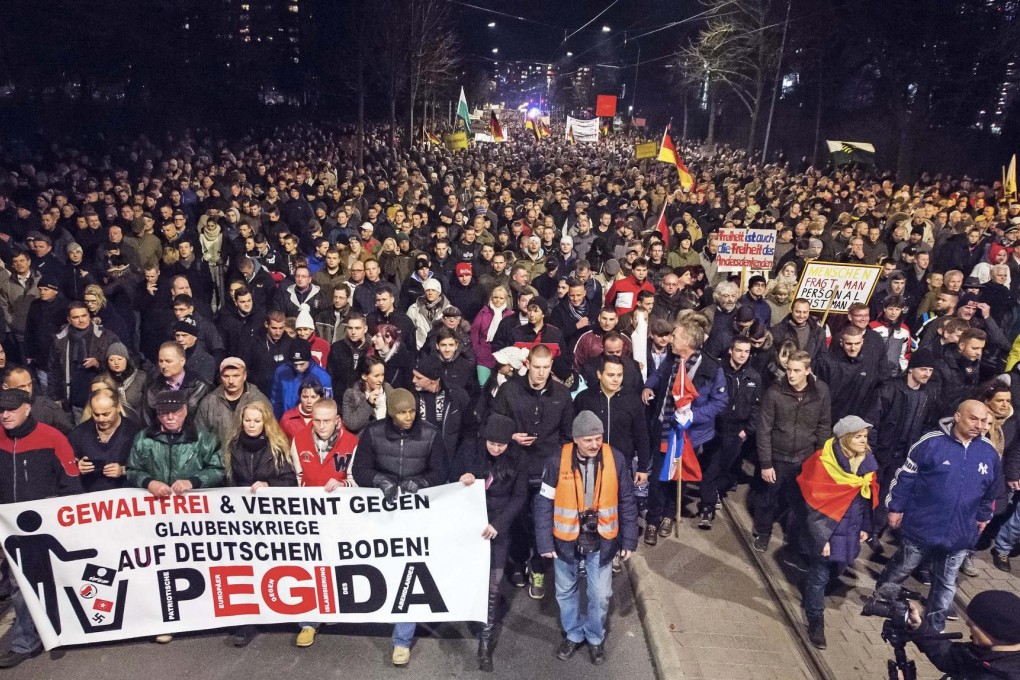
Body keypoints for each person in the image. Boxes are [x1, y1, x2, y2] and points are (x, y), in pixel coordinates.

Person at [875, 400, 1004, 633]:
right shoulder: (930, 443)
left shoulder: (988, 452)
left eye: (984, 421)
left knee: (946, 583)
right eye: (973, 419)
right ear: (957, 416)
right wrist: (895, 508)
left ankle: (934, 627)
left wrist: (984, 516)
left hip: (960, 533)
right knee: (903, 566)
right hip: (922, 526)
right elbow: (905, 478)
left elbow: (991, 491)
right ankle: (883, 597)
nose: (980, 425)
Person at [352, 388, 447, 667]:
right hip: (382, 515)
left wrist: (421, 483)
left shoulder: (430, 434)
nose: (409, 417)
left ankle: (401, 639)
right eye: (403, 412)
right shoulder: (372, 432)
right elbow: (360, 470)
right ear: (391, 414)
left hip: (417, 516)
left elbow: (441, 471)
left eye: (412, 411)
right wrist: (380, 480)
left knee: (410, 571)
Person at [535, 410, 638, 666]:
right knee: (565, 591)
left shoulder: (616, 459)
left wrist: (629, 540)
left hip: (602, 539)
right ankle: (573, 633)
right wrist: (545, 542)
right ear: (576, 439)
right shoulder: (556, 460)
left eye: (599, 438)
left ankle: (594, 637)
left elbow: (626, 499)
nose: (595, 444)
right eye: (589, 440)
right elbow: (543, 503)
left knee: (600, 594)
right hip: (565, 539)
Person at [126, 390, 224, 643]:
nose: (169, 418)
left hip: (193, 520)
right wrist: (148, 482)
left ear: (185, 412)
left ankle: (202, 616)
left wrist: (193, 481)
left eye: (175, 412)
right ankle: (166, 619)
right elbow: (132, 470)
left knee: (196, 566)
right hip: (155, 519)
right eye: (164, 413)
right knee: (161, 570)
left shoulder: (203, 439)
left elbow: (218, 469)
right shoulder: (144, 439)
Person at [0, 388, 81, 669]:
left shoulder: (52, 438)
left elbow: (71, 481)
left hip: (48, 528)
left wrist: (59, 513)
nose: (5, 415)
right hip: (10, 531)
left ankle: (68, 630)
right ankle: (26, 641)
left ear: (27, 408)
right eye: (1, 410)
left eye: (11, 409)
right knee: (18, 586)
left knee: (55, 582)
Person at [491, 344, 573, 598]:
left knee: (541, 521)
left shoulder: (561, 394)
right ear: (527, 365)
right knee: (515, 519)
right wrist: (511, 436)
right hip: (515, 467)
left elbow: (568, 435)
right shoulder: (509, 390)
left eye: (546, 368)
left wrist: (558, 462)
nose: (541, 373)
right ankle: (517, 563)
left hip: (546, 470)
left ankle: (538, 568)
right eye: (537, 367)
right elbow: (493, 423)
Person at [642, 316, 728, 545]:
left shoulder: (711, 368)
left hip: (687, 434)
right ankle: (652, 518)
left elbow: (719, 403)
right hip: (663, 427)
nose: (671, 339)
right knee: (658, 477)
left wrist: (693, 416)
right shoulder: (671, 359)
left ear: (688, 341)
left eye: (675, 336)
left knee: (676, 477)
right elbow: (659, 376)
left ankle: (668, 515)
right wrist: (649, 386)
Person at [452, 414, 527, 672]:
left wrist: (499, 524)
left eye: (501, 445)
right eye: (492, 443)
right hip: (470, 525)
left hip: (497, 529)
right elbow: (451, 478)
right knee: (468, 577)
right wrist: (463, 479)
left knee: (494, 586)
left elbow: (519, 497)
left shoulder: (518, 458)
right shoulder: (469, 450)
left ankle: (485, 642)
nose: (496, 448)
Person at [796, 416, 879, 650]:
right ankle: (815, 619)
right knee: (819, 576)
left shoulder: (867, 462)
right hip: (828, 533)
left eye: (865, 436)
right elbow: (814, 506)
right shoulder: (823, 463)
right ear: (845, 439)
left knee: (838, 569)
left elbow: (867, 499)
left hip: (850, 530)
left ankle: (814, 593)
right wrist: (823, 538)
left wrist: (866, 527)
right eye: (859, 437)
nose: (864, 441)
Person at [222, 400, 299, 647]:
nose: (252, 425)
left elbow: (291, 483)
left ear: (265, 422)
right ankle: (247, 620)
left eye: (257, 421)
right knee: (245, 570)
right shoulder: (232, 447)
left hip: (271, 521)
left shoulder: (278, 447)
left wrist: (269, 486)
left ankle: (278, 612)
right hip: (242, 521)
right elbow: (228, 483)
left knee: (271, 567)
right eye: (248, 420)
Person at [289, 397, 358, 648]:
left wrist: (343, 485)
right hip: (309, 516)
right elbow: (295, 478)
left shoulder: (352, 442)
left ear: (337, 419)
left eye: (327, 421)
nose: (321, 426)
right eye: (317, 420)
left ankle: (333, 610)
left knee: (335, 564)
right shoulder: (299, 440)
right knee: (309, 566)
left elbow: (356, 480)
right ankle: (308, 622)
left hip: (340, 516)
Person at [753, 350, 832, 553]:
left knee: (799, 502)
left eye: (797, 370)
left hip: (805, 457)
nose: (791, 375)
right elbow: (764, 430)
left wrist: (820, 459)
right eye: (789, 370)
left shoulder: (821, 392)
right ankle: (763, 532)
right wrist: (766, 464)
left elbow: (824, 426)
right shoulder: (774, 393)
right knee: (768, 498)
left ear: (808, 370)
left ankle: (794, 538)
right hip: (778, 457)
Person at [864, 348, 938, 545]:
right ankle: (861, 527)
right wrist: (871, 448)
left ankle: (875, 533)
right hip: (880, 452)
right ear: (911, 369)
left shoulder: (928, 394)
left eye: (930, 370)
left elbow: (927, 425)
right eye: (923, 369)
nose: (927, 374)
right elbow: (872, 421)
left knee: (888, 494)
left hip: (904, 455)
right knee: (869, 492)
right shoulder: (889, 389)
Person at [699, 336, 763, 529]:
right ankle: (707, 506)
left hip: (737, 432)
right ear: (730, 351)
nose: (743, 355)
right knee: (712, 466)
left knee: (725, 468)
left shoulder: (754, 377)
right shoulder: (719, 371)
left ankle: (715, 492)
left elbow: (756, 406)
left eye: (746, 351)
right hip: (715, 428)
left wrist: (747, 430)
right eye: (739, 350)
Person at [905, 590, 1020, 679]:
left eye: (975, 624)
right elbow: (949, 655)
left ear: (992, 633)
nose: (967, 623)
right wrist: (919, 626)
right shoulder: (986, 650)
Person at [49, 301, 119, 422]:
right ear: (69, 319)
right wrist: (56, 397)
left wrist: (98, 363)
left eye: (84, 315)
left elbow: (121, 364)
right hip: (75, 398)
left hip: (102, 396)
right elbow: (54, 370)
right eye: (76, 317)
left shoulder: (106, 336)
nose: (81, 320)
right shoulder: (59, 340)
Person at [69, 389, 141, 493]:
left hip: (125, 497)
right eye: (96, 414)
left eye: (106, 414)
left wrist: (123, 470)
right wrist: (77, 467)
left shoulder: (134, 432)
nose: (101, 419)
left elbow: (148, 467)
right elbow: (64, 464)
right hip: (89, 497)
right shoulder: (79, 433)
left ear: (118, 408)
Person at [194, 357, 270, 443]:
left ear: (244, 376)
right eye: (226, 376)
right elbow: (200, 437)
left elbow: (271, 432)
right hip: (218, 455)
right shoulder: (209, 403)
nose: (231, 381)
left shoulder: (258, 399)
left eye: (236, 376)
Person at [141, 341, 210, 426]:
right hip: (161, 437)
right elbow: (147, 421)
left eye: (168, 361)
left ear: (182, 361)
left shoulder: (201, 386)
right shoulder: (153, 388)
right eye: (161, 361)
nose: (163, 365)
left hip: (194, 437)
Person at [270, 338, 332, 418]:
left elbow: (328, 406)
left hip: (312, 423)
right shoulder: (281, 372)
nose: (298, 368)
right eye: (295, 364)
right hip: (286, 422)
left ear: (309, 360)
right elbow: (275, 402)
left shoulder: (323, 377)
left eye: (302, 364)